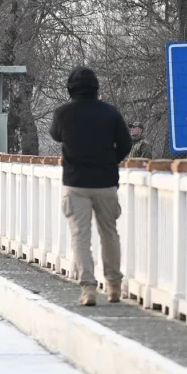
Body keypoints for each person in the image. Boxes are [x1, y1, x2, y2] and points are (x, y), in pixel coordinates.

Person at [49, 66, 132, 306]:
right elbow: (125, 143)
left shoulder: (63, 113)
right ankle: (114, 285)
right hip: (106, 183)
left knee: (80, 236)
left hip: (76, 184)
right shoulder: (110, 113)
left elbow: (56, 135)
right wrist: (110, 162)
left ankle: (88, 289)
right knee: (109, 233)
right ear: (97, 88)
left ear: (70, 89)